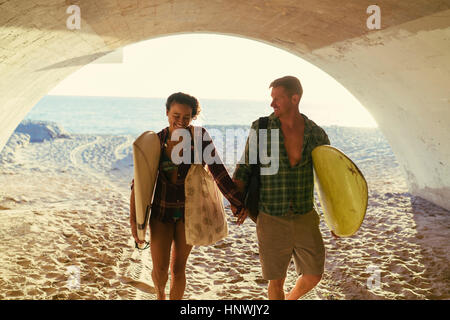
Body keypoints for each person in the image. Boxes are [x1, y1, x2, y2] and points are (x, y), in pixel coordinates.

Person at [129, 92, 247, 300]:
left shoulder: (200, 138)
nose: (181, 121)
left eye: (186, 117)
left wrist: (238, 202)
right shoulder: (157, 140)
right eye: (176, 115)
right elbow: (139, 184)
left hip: (189, 214)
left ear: (193, 117)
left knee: (178, 269)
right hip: (161, 213)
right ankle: (160, 296)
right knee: (160, 268)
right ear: (167, 113)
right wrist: (135, 223)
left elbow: (218, 172)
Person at [233, 76, 331, 300]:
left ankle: (290, 298)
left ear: (294, 98)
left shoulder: (316, 134)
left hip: (305, 214)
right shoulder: (262, 127)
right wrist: (237, 202)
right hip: (271, 215)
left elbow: (330, 179)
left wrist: (337, 218)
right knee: (276, 280)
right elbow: (244, 168)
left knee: (314, 274)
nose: (272, 104)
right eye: (272, 98)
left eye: (277, 98)